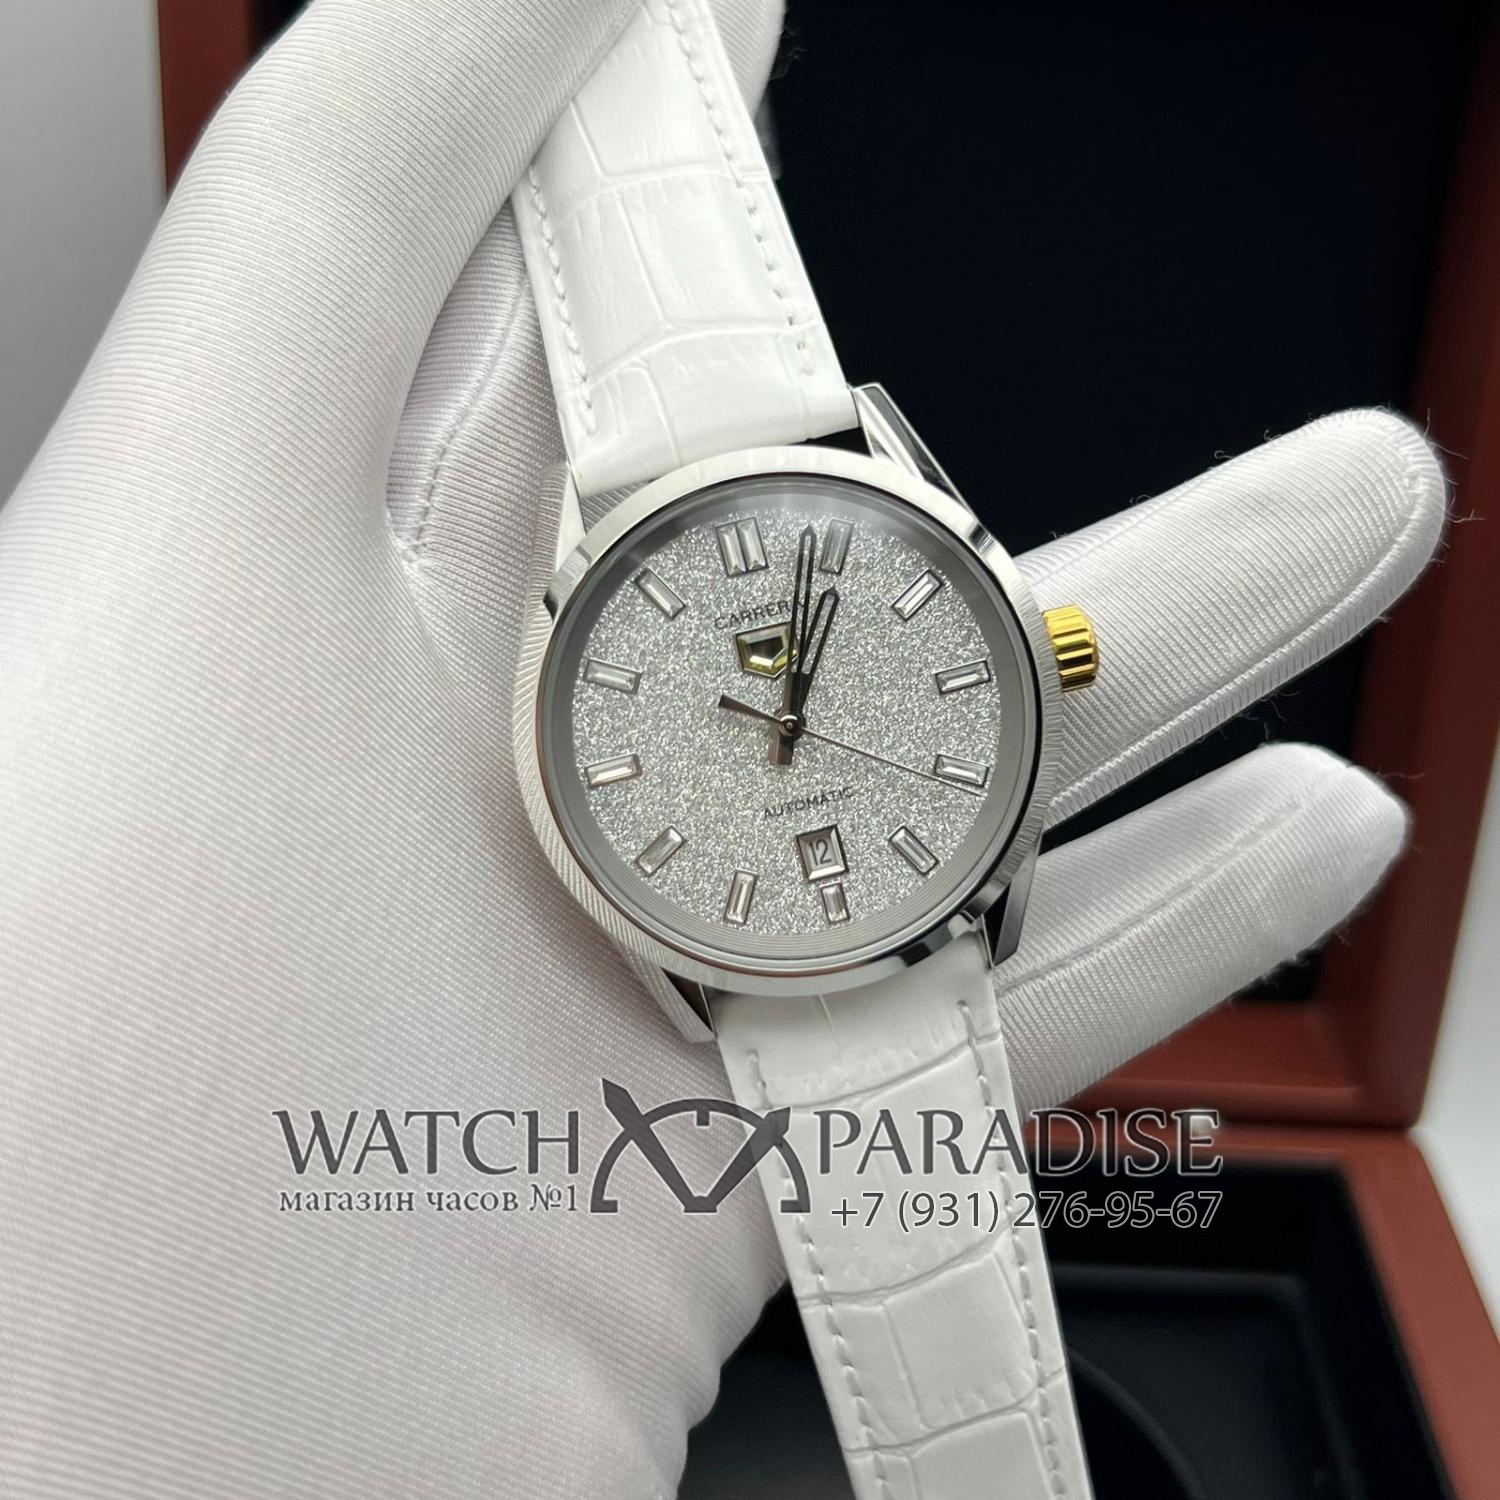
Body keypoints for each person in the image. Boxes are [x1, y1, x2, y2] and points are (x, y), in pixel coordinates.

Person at [0, 1, 1444, 1495]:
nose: (780, 726)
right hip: (719, 929)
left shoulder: (927, 628)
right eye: (769, 709)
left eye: (787, 705)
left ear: (1036, 643)